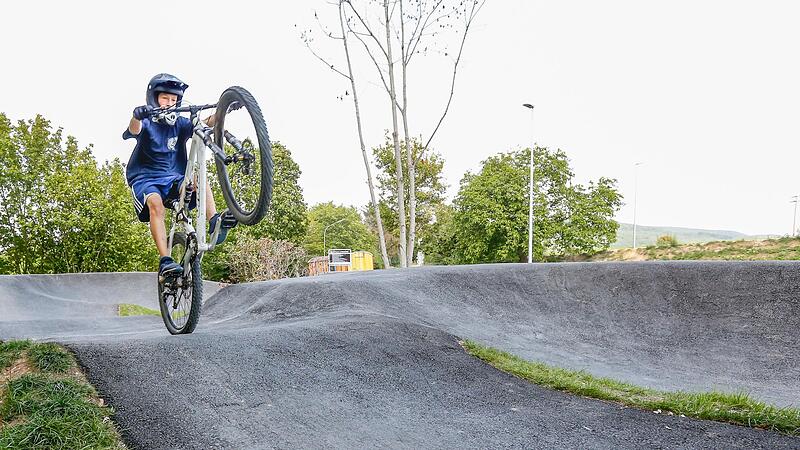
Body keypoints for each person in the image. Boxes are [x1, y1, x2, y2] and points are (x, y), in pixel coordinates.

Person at [124, 73, 235, 277]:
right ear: (154, 98)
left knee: (199, 177)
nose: (169, 103)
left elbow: (205, 123)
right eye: (165, 98)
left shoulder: (180, 124)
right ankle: (165, 260)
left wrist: (224, 109)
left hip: (174, 178)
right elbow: (134, 129)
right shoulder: (147, 121)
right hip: (146, 179)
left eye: (174, 100)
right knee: (156, 206)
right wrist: (136, 115)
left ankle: (214, 221)